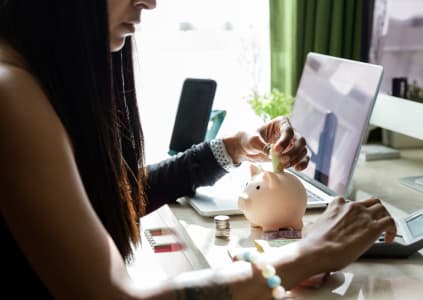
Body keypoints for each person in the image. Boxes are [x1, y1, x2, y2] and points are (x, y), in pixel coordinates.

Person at [0, 0, 396, 299]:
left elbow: (110, 196)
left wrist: (235, 147)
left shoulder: (26, 80)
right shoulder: (10, 94)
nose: (150, 2)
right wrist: (309, 253)